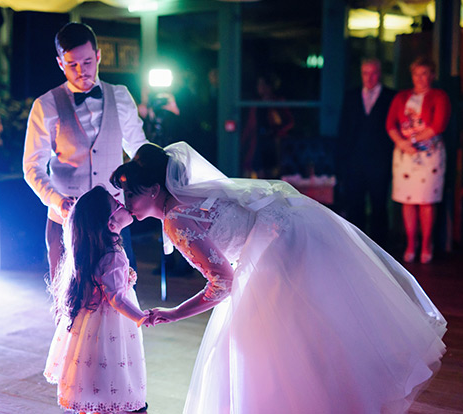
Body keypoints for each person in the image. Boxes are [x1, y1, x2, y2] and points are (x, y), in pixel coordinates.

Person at [111, 142, 446, 414]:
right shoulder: (189, 199)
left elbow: (223, 283)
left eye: (131, 196)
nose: (127, 205)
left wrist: (173, 313)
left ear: (155, 189)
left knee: (265, 347)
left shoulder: (176, 220)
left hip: (277, 252)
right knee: (310, 333)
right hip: (292, 229)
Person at [23, 22, 148, 281]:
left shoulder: (121, 96)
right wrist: (57, 201)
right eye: (72, 65)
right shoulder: (45, 106)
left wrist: (135, 205)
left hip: (114, 216)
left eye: (88, 62)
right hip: (66, 220)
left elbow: (139, 152)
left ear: (99, 56)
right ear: (60, 63)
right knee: (69, 302)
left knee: (124, 294)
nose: (82, 71)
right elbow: (32, 167)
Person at [44, 185, 148, 414]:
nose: (124, 204)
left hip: (93, 324)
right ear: (111, 224)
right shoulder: (114, 255)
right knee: (116, 368)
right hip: (113, 325)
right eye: (118, 205)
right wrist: (142, 317)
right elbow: (117, 299)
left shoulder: (95, 251)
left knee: (95, 371)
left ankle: (95, 405)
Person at [386, 56, 451, 264]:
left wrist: (413, 140)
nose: (420, 78)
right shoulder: (401, 96)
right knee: (408, 200)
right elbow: (390, 124)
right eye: (416, 74)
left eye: (424, 74)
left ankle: (426, 244)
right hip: (405, 154)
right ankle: (411, 243)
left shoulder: (439, 96)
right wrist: (402, 143)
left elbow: (438, 125)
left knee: (425, 201)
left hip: (428, 155)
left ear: (431, 75)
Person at [337, 58, 396, 248]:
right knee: (355, 204)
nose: (369, 78)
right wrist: (343, 161)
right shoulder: (351, 96)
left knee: (379, 205)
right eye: (365, 73)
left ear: (379, 74)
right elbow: (343, 129)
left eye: (373, 73)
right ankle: (357, 246)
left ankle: (380, 248)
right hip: (354, 160)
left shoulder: (390, 96)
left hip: (380, 161)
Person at [241, 74, 294, 178]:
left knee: (271, 171)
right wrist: (242, 142)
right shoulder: (256, 103)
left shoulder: (278, 102)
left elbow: (289, 122)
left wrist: (276, 131)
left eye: (262, 84)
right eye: (258, 84)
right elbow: (250, 125)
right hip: (258, 141)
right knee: (255, 168)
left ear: (269, 86)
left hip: (272, 142)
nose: (259, 87)